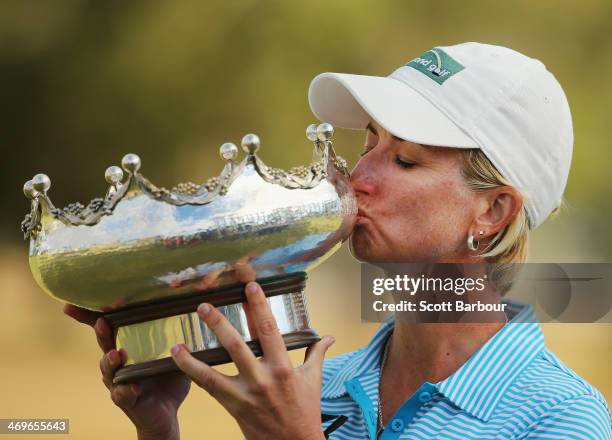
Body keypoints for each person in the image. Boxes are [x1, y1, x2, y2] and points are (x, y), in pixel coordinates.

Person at [64, 42, 611, 439]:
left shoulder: (560, 418)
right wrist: (160, 430)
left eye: (404, 159)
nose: (355, 176)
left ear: (492, 211)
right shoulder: (325, 388)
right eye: (369, 142)